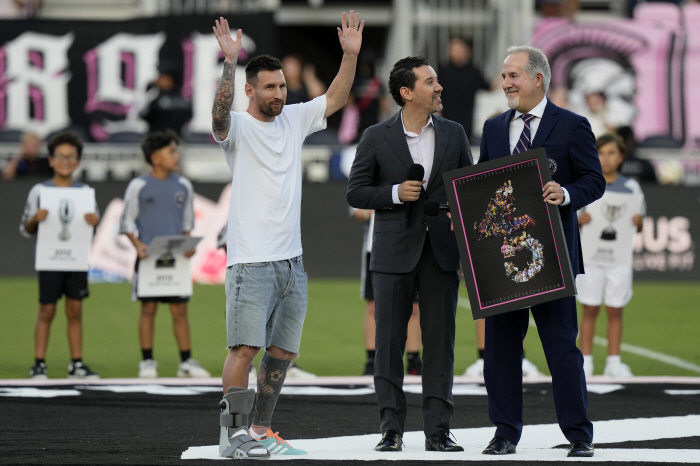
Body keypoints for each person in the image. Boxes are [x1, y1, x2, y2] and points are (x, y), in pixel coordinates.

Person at [211, 12, 363, 458]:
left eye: (282, 86)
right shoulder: (238, 128)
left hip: (292, 262)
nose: (279, 93)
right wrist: (229, 62)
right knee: (244, 349)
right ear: (250, 90)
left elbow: (336, 97)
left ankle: (259, 432)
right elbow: (218, 118)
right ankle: (231, 438)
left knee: (281, 354)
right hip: (250, 260)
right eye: (270, 87)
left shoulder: (294, 118)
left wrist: (349, 56)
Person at [478, 45, 605, 458]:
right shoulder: (493, 128)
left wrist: (565, 193)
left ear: (538, 78)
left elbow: (594, 180)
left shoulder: (572, 125)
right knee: (500, 351)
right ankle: (505, 434)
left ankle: (579, 434)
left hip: (552, 257)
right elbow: (483, 189)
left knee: (561, 348)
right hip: (503, 261)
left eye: (513, 75)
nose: (505, 83)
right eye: (503, 76)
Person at [347, 56, 473, 453]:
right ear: (407, 92)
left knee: (440, 344)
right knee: (388, 346)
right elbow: (355, 192)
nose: (439, 87)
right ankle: (391, 429)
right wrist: (395, 193)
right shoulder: (376, 136)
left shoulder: (454, 133)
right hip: (392, 252)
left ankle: (438, 431)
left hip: (442, 253)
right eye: (430, 82)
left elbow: (467, 191)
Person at [119, 130, 210, 379]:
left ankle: (186, 362)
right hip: (149, 259)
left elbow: (187, 221)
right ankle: (147, 362)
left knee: (180, 309)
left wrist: (188, 243)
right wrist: (138, 245)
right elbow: (126, 221)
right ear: (155, 158)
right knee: (148, 308)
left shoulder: (184, 185)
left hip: (175, 259)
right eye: (171, 152)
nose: (176, 155)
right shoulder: (138, 186)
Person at [20, 131, 100, 379]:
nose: (65, 161)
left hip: (76, 260)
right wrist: (35, 219)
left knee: (75, 310)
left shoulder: (85, 192)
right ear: (51, 160)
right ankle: (39, 363)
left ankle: (76, 363)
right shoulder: (39, 191)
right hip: (50, 259)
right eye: (60, 156)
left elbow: (92, 225)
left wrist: (94, 221)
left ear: (78, 161)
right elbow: (25, 228)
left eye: (70, 157)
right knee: (46, 310)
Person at [577, 133, 645, 378]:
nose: (606, 158)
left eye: (611, 153)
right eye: (601, 153)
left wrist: (638, 222)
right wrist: (579, 219)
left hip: (618, 259)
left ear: (621, 157)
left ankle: (614, 362)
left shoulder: (631, 187)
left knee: (615, 309)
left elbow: (639, 224)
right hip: (590, 258)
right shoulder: (585, 183)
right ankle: (585, 361)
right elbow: (571, 217)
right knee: (590, 308)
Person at [352, 208, 422, 376]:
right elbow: (356, 209)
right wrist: (376, 210)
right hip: (377, 244)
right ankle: (372, 360)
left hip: (409, 243)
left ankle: (414, 360)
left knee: (413, 306)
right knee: (374, 305)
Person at [437, 36, 491, 142]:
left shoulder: (473, 72)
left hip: (468, 123)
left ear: (467, 51)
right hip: (446, 121)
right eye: (452, 49)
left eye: (458, 49)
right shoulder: (443, 71)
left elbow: (488, 87)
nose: (454, 52)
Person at [140, 65, 193, 136]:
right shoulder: (184, 100)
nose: (158, 80)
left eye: (162, 78)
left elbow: (144, 115)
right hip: (175, 139)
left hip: (158, 139)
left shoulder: (159, 99)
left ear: (170, 80)